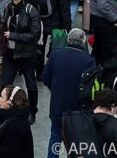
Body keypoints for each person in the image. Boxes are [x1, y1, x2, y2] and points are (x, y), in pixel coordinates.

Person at [42, 29, 96, 158]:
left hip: (57, 105)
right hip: (77, 109)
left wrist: (55, 88)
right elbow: (90, 87)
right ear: (83, 42)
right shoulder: (89, 61)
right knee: (74, 144)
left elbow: (45, 78)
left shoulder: (55, 55)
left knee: (55, 138)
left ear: (68, 40)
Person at [0, 0, 41, 124]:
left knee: (31, 85)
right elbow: (3, 30)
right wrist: (1, 50)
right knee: (5, 82)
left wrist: (13, 36)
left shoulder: (31, 11)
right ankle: (6, 108)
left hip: (26, 54)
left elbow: (35, 36)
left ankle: (32, 111)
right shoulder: (7, 7)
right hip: (10, 53)